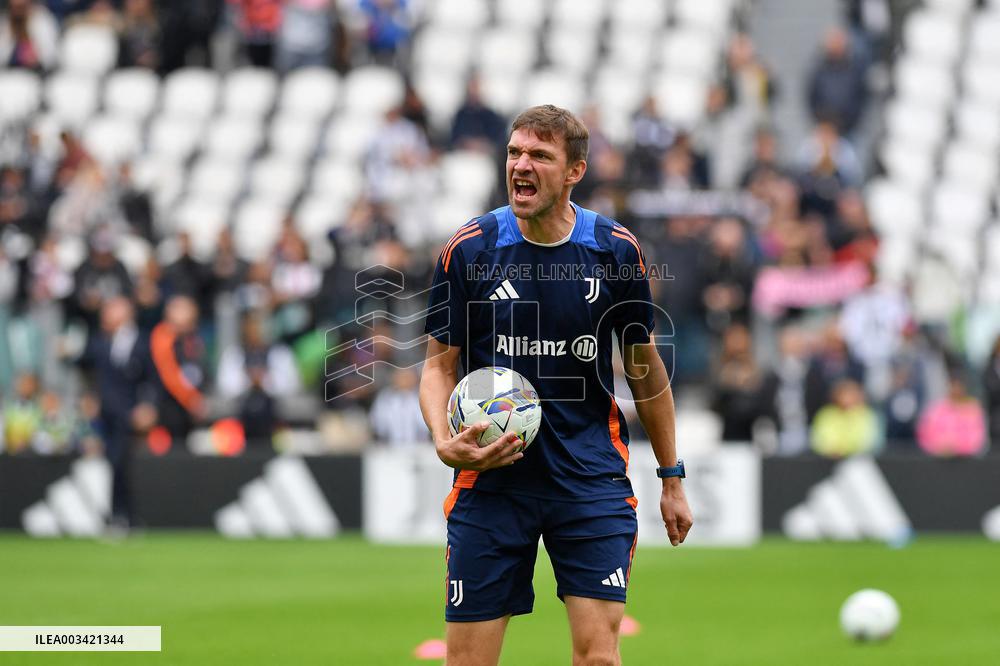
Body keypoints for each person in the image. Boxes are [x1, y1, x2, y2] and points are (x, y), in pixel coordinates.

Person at [419, 105, 693, 666]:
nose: (521, 164)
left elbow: (645, 371)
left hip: (588, 479)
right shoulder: (469, 250)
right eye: (514, 152)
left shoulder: (615, 252)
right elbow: (436, 366)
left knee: (598, 657)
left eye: (539, 155)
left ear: (574, 171)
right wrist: (440, 437)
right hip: (492, 483)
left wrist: (671, 477)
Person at [83, 297, 158, 529]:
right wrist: (90, 398)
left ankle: (123, 516)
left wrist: (148, 406)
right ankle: (120, 516)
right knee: (112, 464)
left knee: (120, 463)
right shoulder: (99, 341)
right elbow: (89, 372)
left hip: (129, 416)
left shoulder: (143, 342)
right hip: (105, 416)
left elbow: (154, 380)